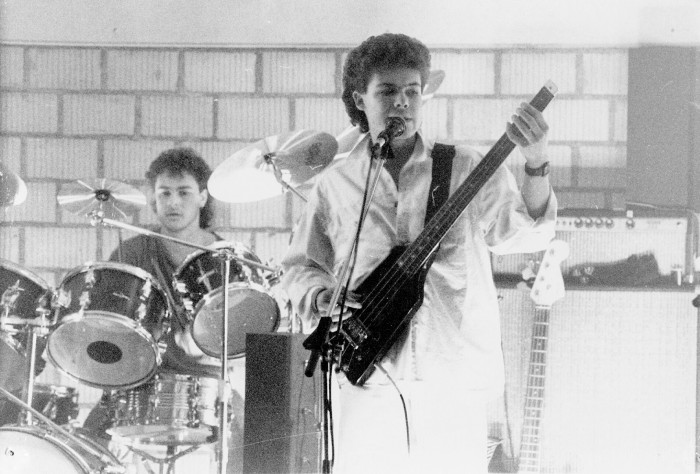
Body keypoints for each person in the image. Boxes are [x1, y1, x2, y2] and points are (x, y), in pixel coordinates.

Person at [280, 33, 557, 474]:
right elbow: (300, 266)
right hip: (368, 377)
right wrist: (319, 296)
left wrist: (536, 161)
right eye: (387, 91)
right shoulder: (335, 184)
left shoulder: (464, 166)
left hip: (453, 376)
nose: (402, 103)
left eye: (412, 91)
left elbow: (529, 234)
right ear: (360, 99)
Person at [83, 147, 244, 473]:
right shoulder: (132, 252)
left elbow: (244, 335)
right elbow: (107, 327)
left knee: (252, 437)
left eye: (184, 192)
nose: (173, 202)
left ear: (202, 197)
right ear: (153, 198)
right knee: (87, 445)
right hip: (140, 382)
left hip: (207, 384)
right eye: (164, 193)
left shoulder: (225, 258)